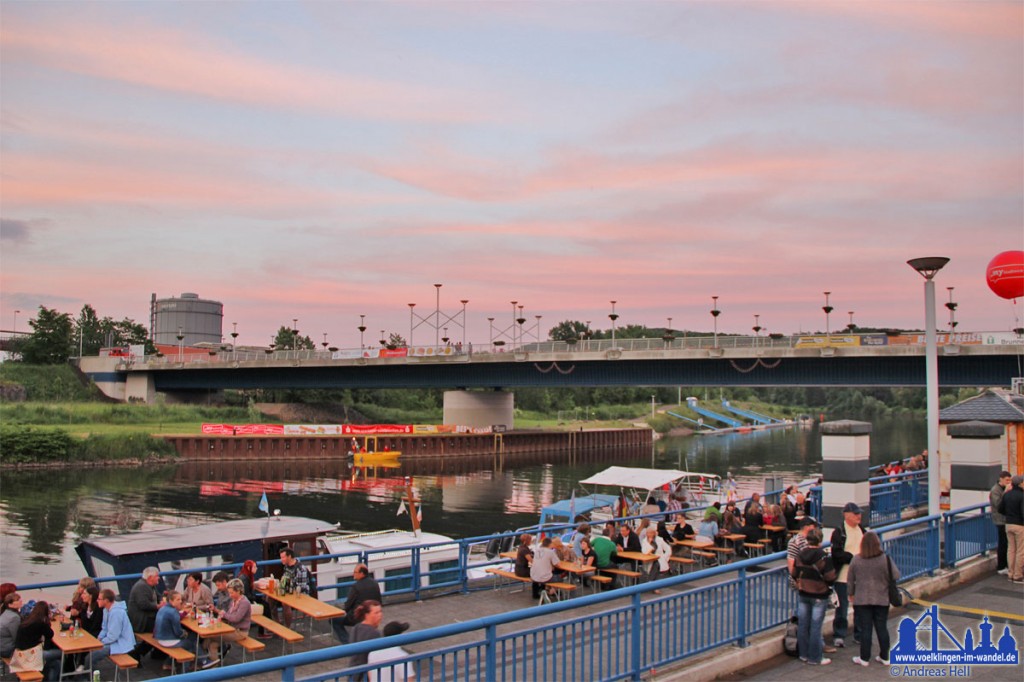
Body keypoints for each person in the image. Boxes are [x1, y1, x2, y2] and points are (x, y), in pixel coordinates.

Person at [848, 531, 900, 666]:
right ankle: (885, 656)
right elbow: (896, 575)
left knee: (866, 628)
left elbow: (850, 580)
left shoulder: (856, 560)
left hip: (862, 599)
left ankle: (864, 658)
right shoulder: (885, 559)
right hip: (881, 599)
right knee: (882, 627)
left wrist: (851, 594)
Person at [792, 528, 836, 666]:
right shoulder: (824, 557)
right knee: (815, 627)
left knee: (803, 625)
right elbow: (830, 577)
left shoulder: (800, 555)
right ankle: (815, 657)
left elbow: (794, 572)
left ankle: (803, 654)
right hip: (819, 594)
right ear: (820, 541)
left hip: (803, 592)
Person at [829, 502, 867, 648]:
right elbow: (836, 554)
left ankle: (859, 634)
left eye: (859, 513)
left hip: (860, 577)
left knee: (860, 607)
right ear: (847, 515)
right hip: (842, 577)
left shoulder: (862, 530)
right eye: (856, 514)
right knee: (842, 609)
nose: (859, 516)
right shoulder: (839, 532)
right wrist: (854, 558)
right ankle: (839, 634)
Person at [203, 579, 251, 669]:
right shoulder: (233, 601)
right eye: (229, 592)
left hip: (240, 632)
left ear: (239, 591)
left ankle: (204, 658)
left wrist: (224, 614)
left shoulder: (244, 603)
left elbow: (236, 618)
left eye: (232, 592)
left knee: (209, 637)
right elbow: (229, 614)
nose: (230, 595)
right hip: (231, 628)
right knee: (212, 644)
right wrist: (222, 614)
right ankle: (215, 668)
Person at [89, 589, 136, 672]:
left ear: (106, 601)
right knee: (90, 652)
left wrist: (100, 643)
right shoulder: (106, 610)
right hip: (114, 641)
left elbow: (113, 636)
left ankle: (86, 677)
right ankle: (90, 673)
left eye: (99, 599)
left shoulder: (116, 613)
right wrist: (99, 638)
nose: (97, 601)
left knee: (92, 656)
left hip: (121, 644)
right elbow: (104, 628)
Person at [334, 564, 382, 645]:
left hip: (357, 616)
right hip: (371, 615)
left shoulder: (356, 586)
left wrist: (344, 611)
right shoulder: (375, 583)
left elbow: (347, 606)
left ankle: (347, 643)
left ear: (362, 573)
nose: (353, 574)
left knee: (334, 620)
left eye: (355, 572)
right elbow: (379, 601)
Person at [14, 601, 61, 681]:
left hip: (19, 653)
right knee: (60, 653)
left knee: (55, 663)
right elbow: (50, 634)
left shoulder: (26, 620)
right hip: (31, 655)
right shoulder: (40, 623)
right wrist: (47, 621)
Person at [154, 590, 198, 671]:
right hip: (168, 641)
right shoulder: (173, 612)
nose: (180, 601)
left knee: (189, 638)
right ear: (171, 601)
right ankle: (186, 671)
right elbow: (178, 632)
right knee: (191, 642)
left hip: (159, 638)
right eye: (178, 600)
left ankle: (168, 663)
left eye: (180, 599)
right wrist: (185, 633)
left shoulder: (162, 609)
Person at [127, 566, 163, 659]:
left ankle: (158, 653)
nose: (159, 578)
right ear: (150, 578)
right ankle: (140, 652)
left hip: (148, 617)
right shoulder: (141, 587)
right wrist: (158, 606)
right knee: (163, 627)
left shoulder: (151, 586)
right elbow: (143, 605)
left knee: (163, 625)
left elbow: (158, 596)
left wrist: (162, 600)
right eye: (157, 576)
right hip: (141, 621)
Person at [998, 474, 1024, 583]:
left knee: (1011, 549)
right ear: (1020, 483)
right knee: (1020, 551)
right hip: (1019, 525)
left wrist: (1009, 516)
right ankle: (1018, 575)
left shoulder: (1007, 495)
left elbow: (1000, 509)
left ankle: (1010, 573)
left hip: (1008, 524)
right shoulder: (1022, 496)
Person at [349, 600, 383, 681]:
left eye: (380, 612)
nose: (380, 615)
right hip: (365, 676)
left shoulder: (356, 628)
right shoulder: (375, 633)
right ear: (367, 615)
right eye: (376, 613)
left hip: (353, 674)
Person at [991, 471, 1013, 575]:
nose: (1008, 482)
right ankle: (1001, 566)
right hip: (1000, 520)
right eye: (1006, 480)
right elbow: (998, 505)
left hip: (1006, 519)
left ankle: (1006, 564)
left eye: (1010, 480)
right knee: (1003, 543)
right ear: (1001, 479)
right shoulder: (995, 490)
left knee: (1007, 543)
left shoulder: (1004, 489)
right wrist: (1006, 493)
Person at [640, 527, 671, 593]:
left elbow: (668, 549)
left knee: (656, 565)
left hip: (659, 559)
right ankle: (652, 585)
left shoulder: (660, 539)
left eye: (651, 533)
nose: (649, 534)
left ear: (654, 533)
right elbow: (644, 552)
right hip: (648, 560)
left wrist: (665, 557)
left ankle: (652, 584)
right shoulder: (644, 541)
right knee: (655, 565)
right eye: (648, 533)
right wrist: (650, 543)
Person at [0, 591, 23, 659]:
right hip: (6, 649)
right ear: (10, 604)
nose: (21, 601)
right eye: (18, 600)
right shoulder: (14, 618)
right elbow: (16, 637)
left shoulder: (5, 612)